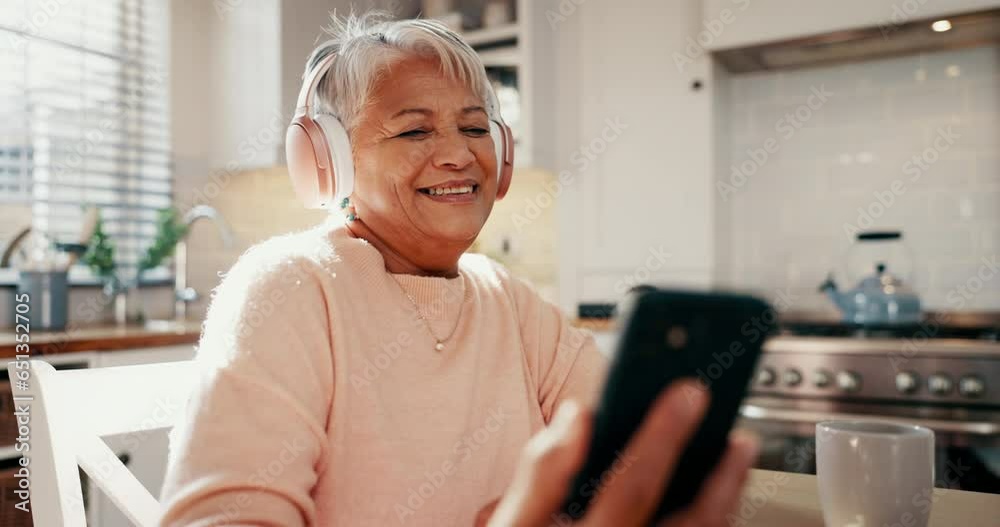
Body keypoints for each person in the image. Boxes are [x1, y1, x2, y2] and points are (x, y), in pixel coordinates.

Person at [159, 12, 757, 527]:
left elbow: (621, 439)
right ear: (328, 163)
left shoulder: (507, 298)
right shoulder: (289, 286)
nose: (459, 153)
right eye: (415, 129)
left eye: (475, 127)